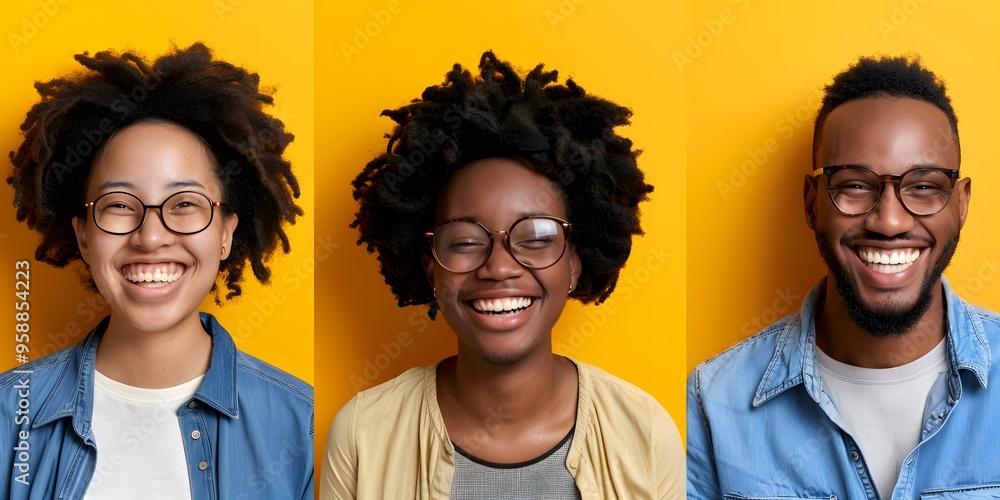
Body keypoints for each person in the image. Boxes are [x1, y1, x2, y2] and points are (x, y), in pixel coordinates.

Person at [322, 52, 684, 499]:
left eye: (535, 237)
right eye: (465, 240)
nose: (499, 266)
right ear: (430, 265)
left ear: (575, 261)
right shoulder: (361, 436)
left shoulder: (645, 434)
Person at [0, 43, 313, 499]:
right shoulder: (10, 417)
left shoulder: (300, 425)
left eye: (185, 204)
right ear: (84, 236)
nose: (150, 237)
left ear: (226, 233)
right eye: (120, 205)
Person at [686, 55, 1000, 499]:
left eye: (924, 186)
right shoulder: (714, 404)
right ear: (813, 203)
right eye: (854, 185)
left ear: (962, 203)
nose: (889, 222)